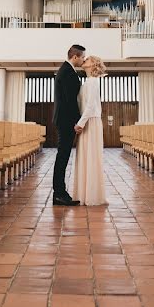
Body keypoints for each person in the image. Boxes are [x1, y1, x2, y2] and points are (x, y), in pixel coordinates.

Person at [52, 44, 86, 206]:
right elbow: (69, 101)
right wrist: (77, 121)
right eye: (82, 57)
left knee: (63, 156)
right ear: (75, 57)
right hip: (66, 121)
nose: (83, 60)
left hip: (64, 119)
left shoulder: (67, 70)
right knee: (62, 156)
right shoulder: (67, 72)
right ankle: (59, 193)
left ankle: (59, 192)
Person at [73, 55, 107, 206]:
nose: (84, 60)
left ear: (93, 64)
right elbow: (82, 104)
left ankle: (92, 195)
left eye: (88, 59)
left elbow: (91, 106)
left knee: (91, 157)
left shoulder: (94, 81)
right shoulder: (87, 82)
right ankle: (83, 194)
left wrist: (80, 123)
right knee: (84, 157)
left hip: (91, 122)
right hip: (87, 121)